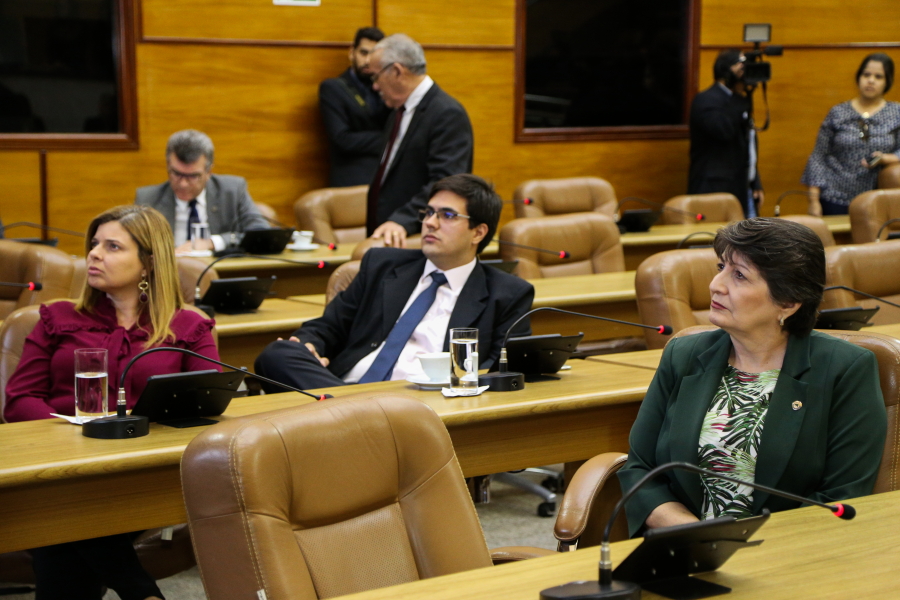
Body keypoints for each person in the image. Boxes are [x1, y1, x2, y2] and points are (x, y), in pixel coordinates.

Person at [617, 218, 887, 538]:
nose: (716, 285)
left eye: (740, 275)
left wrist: (746, 546)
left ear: (787, 302)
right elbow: (640, 469)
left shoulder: (845, 369)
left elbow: (842, 496)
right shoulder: (683, 354)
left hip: (793, 552)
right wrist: (698, 535)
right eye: (721, 267)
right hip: (684, 547)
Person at [4, 205, 220, 599]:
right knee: (68, 509)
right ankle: (142, 592)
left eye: (112, 246)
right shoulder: (57, 318)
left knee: (60, 525)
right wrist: (77, 432)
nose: (94, 254)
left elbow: (207, 401)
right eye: (94, 244)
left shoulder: (188, 327)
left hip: (141, 472)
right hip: (61, 465)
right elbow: (19, 400)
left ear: (148, 263)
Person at [255, 174, 532, 391]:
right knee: (278, 354)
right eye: (429, 212)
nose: (431, 223)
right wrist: (310, 344)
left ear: (478, 233)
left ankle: (354, 415)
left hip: (424, 404)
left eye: (447, 215)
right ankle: (361, 415)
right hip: (345, 389)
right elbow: (329, 326)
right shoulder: (382, 265)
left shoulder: (507, 294)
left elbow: (500, 372)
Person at [365, 34, 474, 248]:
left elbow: (446, 184)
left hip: (418, 237)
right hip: (389, 233)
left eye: (376, 77)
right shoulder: (398, 112)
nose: (375, 86)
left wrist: (402, 221)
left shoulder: (446, 113)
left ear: (397, 71)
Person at [135, 129, 268, 254]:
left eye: (193, 176)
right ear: (168, 166)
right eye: (176, 173)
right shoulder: (148, 199)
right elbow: (136, 245)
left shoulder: (232, 191)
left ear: (209, 172)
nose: (183, 183)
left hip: (221, 268)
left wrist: (213, 242)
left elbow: (261, 234)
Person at [802, 53, 900, 215]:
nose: (871, 81)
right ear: (858, 77)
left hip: (876, 199)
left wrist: (886, 158)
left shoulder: (896, 113)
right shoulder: (838, 112)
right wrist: (813, 201)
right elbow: (818, 157)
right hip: (834, 197)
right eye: (866, 75)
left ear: (887, 82)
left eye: (878, 77)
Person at [688, 50, 764, 218]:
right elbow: (724, 131)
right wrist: (740, 98)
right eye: (741, 68)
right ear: (725, 71)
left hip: (743, 187)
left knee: (747, 234)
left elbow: (747, 144)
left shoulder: (739, 100)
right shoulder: (706, 100)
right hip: (714, 189)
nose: (745, 74)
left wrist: (755, 181)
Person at [319, 26, 391, 187]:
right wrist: (390, 139)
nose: (367, 61)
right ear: (352, 52)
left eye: (374, 55)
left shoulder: (387, 87)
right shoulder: (333, 88)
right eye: (363, 53)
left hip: (387, 177)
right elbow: (342, 140)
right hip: (353, 178)